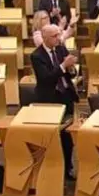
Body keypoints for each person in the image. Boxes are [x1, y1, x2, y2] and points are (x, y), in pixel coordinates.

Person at [30, 25, 79, 179]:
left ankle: (68, 168)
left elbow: (71, 73)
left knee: (67, 136)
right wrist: (64, 66)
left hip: (66, 96)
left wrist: (71, 68)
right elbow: (46, 79)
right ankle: (53, 168)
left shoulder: (61, 49)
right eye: (54, 36)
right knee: (52, 136)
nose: (58, 38)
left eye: (59, 35)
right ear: (45, 37)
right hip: (50, 99)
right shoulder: (37, 56)